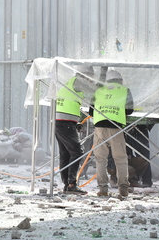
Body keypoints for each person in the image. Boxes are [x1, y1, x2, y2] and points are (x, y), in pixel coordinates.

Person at [89, 69, 134, 197]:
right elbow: (129, 110)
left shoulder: (98, 90)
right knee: (120, 158)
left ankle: (103, 189)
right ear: (120, 80)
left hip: (99, 127)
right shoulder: (125, 90)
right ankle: (123, 188)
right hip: (116, 127)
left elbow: (91, 111)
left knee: (100, 159)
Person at [55, 64, 95, 195]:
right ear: (85, 75)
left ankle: (67, 184)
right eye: (90, 77)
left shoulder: (71, 82)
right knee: (77, 152)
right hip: (65, 122)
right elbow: (93, 91)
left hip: (62, 121)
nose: (90, 80)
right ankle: (71, 184)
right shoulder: (79, 81)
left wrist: (77, 121)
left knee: (66, 153)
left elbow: (72, 103)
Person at [107, 123, 153, 188]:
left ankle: (136, 180)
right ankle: (115, 178)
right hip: (119, 126)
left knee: (143, 157)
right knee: (117, 152)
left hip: (139, 126)